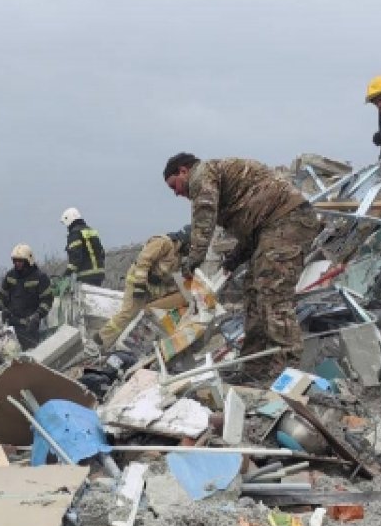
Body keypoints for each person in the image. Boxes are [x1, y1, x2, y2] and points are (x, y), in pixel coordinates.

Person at [163, 152, 319, 381]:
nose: (177, 193)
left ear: (183, 171)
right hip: (272, 226)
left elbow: (204, 217)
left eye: (173, 185)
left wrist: (193, 261)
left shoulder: (201, 174)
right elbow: (251, 228)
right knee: (253, 293)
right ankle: (255, 367)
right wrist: (234, 259)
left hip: (287, 220)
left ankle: (289, 372)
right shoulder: (223, 183)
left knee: (272, 292)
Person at [96, 228, 190, 348]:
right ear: (186, 241)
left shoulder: (177, 256)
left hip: (153, 286)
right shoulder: (163, 243)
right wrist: (139, 286)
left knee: (159, 307)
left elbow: (167, 276)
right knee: (128, 313)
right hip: (137, 281)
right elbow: (143, 261)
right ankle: (100, 340)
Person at [0, 244, 54, 348]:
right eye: (15, 261)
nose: (17, 263)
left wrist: (38, 315)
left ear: (29, 260)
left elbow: (47, 300)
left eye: (20, 261)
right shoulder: (10, 276)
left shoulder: (40, 277)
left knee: (30, 355)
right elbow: (1, 297)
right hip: (12, 325)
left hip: (31, 327)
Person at [60, 207, 106, 286]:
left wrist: (66, 274)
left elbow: (76, 258)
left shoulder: (75, 234)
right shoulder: (91, 231)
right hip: (99, 274)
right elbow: (102, 253)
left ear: (69, 220)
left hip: (86, 275)